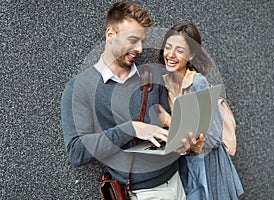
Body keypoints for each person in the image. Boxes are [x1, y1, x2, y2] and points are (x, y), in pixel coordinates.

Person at [61, 2, 200, 199]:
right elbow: (76, 152)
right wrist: (131, 128)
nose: (140, 49)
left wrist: (183, 142)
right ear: (110, 35)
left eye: (142, 41)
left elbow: (166, 128)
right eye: (133, 40)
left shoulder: (152, 75)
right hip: (141, 193)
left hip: (177, 182)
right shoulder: (79, 88)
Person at [157, 23, 244, 199]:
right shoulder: (165, 84)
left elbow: (214, 139)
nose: (171, 55)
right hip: (184, 168)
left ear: (191, 54)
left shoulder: (197, 83)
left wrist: (169, 122)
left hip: (206, 168)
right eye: (168, 47)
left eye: (180, 50)